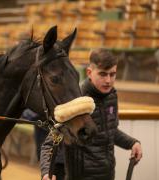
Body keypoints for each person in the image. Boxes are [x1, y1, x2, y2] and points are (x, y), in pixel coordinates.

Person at [40, 49, 143, 180]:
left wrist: (132, 143)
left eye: (112, 74)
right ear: (89, 73)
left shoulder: (112, 95)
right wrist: (46, 173)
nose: (108, 80)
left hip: (108, 174)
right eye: (103, 74)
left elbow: (110, 132)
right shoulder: (76, 99)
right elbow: (49, 144)